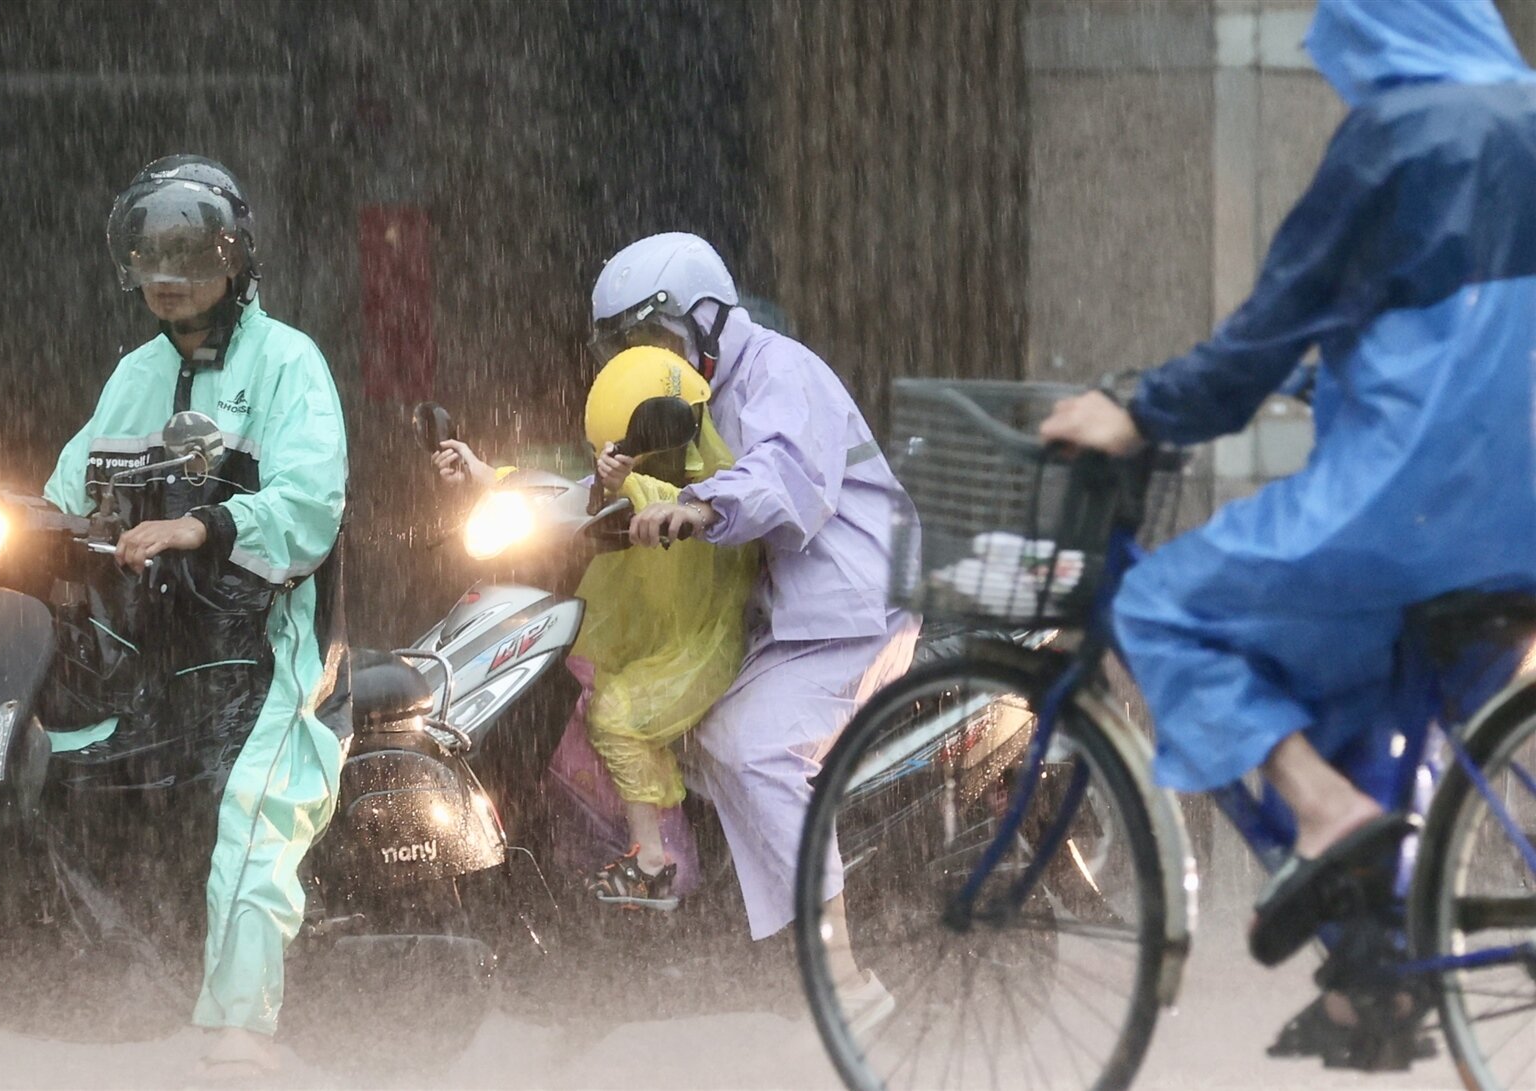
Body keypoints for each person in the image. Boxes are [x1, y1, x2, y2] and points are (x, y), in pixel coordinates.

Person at [1039, 0, 1536, 978]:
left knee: (1158, 606)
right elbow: (1464, 337)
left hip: (1409, 505)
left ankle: (1320, 808)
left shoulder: (1394, 136)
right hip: (1520, 517)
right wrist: (1330, 376)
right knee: (1376, 699)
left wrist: (1143, 412)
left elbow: (1276, 318)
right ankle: (1373, 980)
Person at [44, 155, 348, 1077]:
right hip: (148, 654)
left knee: (253, 817)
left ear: (234, 257)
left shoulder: (288, 361)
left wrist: (203, 524)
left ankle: (243, 1027)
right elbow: (65, 497)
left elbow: (311, 506)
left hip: (266, 648)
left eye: (187, 255)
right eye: (150, 256)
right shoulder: (134, 377)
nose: (166, 276)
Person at [588, 232, 920, 1023]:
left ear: (705, 318)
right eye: (630, 346)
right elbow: (641, 470)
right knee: (696, 732)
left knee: (752, 746)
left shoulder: (779, 370)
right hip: (785, 619)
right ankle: (760, 933)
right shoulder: (690, 395)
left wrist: (702, 506)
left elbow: (781, 473)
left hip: (853, 608)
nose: (646, 358)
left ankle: (842, 972)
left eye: (655, 336)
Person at [433, 346, 757, 909]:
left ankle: (659, 865)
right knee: (557, 687)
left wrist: (628, 483)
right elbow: (564, 491)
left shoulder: (720, 496)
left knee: (616, 715)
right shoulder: (631, 479)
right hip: (631, 636)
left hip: (693, 645)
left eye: (631, 448)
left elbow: (676, 502)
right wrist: (482, 474)